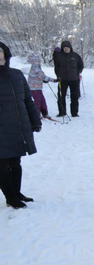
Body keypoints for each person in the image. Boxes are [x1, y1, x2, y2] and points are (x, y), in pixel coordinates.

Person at [0, 42, 42, 209]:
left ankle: (16, 192)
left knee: (15, 162)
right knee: (2, 164)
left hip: (17, 125)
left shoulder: (17, 75)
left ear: (6, 54)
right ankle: (10, 197)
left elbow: (27, 100)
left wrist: (35, 119)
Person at [54, 40, 84, 117]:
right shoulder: (59, 56)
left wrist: (78, 72)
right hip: (62, 80)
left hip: (74, 80)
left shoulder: (76, 56)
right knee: (61, 97)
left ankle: (74, 113)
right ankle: (62, 112)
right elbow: (56, 67)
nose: (66, 49)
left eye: (67, 47)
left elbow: (81, 65)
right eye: (64, 48)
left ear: (70, 47)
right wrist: (58, 76)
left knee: (74, 97)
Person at [26, 54, 58, 119]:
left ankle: (44, 113)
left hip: (38, 88)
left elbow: (40, 76)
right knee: (37, 102)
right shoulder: (35, 68)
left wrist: (43, 80)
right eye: (38, 60)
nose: (39, 61)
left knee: (42, 101)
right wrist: (54, 80)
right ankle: (36, 114)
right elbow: (43, 76)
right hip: (34, 89)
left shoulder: (36, 67)